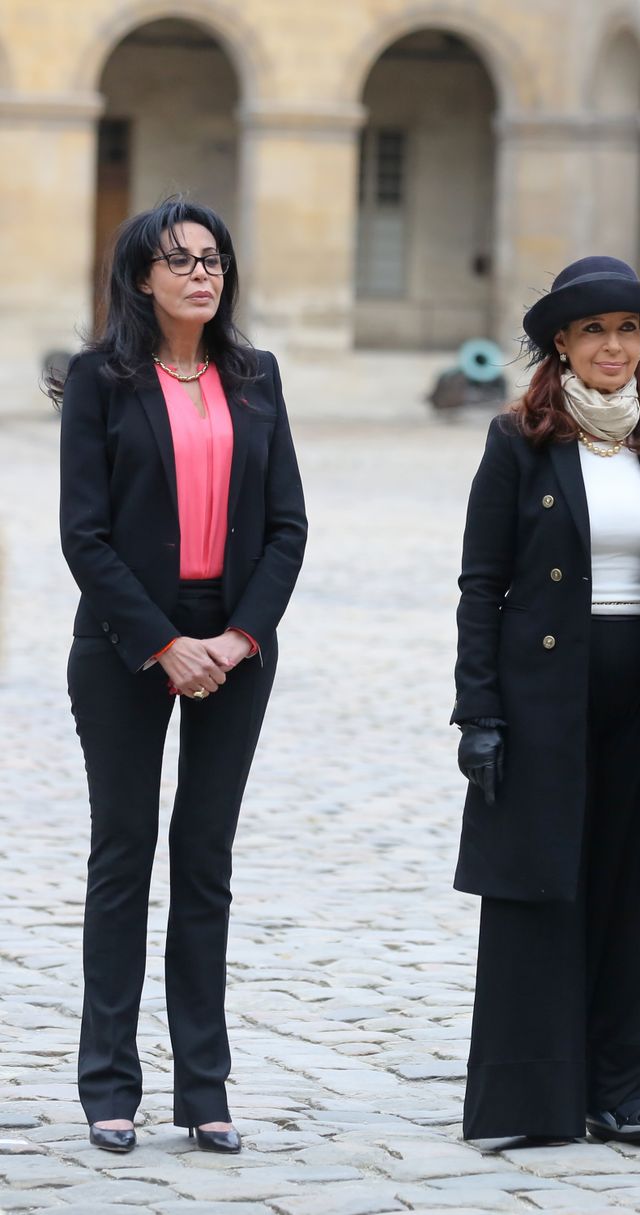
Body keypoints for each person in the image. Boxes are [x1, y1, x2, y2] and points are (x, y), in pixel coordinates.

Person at [54, 197, 307, 1154]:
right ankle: (108, 1083)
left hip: (236, 646)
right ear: (141, 278)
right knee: (123, 857)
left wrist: (237, 639)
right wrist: (165, 644)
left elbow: (288, 525)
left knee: (205, 862)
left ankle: (205, 1085)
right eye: (180, 260)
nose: (202, 273)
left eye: (213, 258)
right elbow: (85, 534)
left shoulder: (257, 378)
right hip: (126, 644)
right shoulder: (99, 381)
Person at [451, 256, 640, 1146]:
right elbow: (481, 584)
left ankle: (631, 1083)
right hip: (542, 699)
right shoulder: (518, 439)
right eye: (596, 330)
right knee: (546, 882)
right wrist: (479, 712)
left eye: (628, 331)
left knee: (638, 884)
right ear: (561, 343)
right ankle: (539, 1093)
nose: (614, 346)